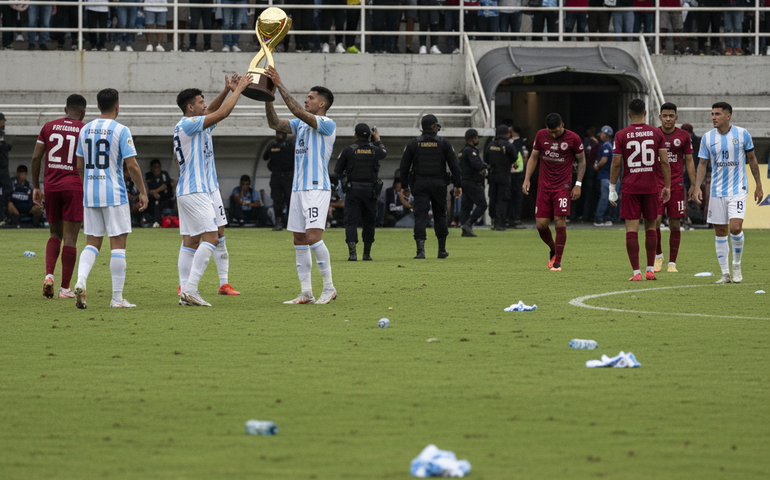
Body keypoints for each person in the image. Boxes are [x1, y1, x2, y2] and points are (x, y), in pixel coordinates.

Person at [174, 74, 252, 306]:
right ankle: (190, 289)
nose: (205, 105)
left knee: (191, 241)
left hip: (198, 189)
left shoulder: (196, 123)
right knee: (212, 238)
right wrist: (240, 90)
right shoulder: (189, 124)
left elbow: (213, 111)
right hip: (195, 190)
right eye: (201, 102)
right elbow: (222, 113)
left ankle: (186, 290)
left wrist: (227, 91)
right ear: (190, 107)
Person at [264, 65, 338, 304]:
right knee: (299, 239)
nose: (306, 100)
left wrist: (280, 85)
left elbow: (296, 110)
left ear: (322, 104)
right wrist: (268, 97)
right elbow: (275, 123)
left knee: (314, 237)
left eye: (310, 97)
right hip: (298, 189)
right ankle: (306, 292)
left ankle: (329, 288)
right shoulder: (301, 124)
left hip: (316, 188)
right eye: (306, 97)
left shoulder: (327, 123)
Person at [73, 88, 149, 309]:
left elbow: (79, 165)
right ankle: (117, 298)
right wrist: (142, 191)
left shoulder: (84, 130)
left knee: (92, 243)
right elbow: (132, 165)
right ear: (117, 106)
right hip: (114, 194)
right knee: (118, 245)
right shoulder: (121, 130)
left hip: (90, 194)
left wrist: (87, 185)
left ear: (97, 106)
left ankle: (81, 281)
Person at [691, 102, 764, 284]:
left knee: (735, 228)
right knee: (721, 231)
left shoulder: (742, 134)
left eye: (717, 114)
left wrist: (759, 185)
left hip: (738, 189)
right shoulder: (707, 138)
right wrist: (697, 187)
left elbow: (752, 159)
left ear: (728, 116)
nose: (713, 117)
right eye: (712, 114)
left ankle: (736, 265)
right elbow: (702, 164)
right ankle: (725, 274)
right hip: (717, 191)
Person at [30, 94, 87, 299]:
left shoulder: (48, 126)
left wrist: (36, 186)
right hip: (74, 187)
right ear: (83, 112)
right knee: (70, 238)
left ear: (65, 109)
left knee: (54, 234)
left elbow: (36, 157)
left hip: (51, 186)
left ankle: (49, 276)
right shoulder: (84, 129)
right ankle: (64, 288)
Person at [608, 98, 670, 281]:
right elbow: (664, 161)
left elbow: (616, 163)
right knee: (651, 227)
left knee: (631, 230)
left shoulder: (621, 134)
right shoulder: (657, 133)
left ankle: (636, 273)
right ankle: (650, 270)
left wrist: (612, 187)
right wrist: (667, 186)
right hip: (651, 186)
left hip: (630, 187)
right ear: (645, 113)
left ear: (629, 114)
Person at [523, 113, 585, 271]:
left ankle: (557, 262)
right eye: (551, 132)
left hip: (562, 187)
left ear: (562, 125)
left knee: (559, 221)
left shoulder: (573, 138)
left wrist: (578, 184)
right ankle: (553, 249)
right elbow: (534, 157)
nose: (553, 135)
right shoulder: (541, 135)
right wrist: (527, 178)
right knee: (541, 225)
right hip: (544, 187)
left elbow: (582, 160)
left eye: (556, 131)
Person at [399, 114, 462, 259]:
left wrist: (404, 185)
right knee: (440, 215)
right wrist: (458, 185)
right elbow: (455, 166)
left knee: (420, 216)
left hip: (420, 184)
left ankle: (420, 251)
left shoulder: (413, 143)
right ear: (433, 126)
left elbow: (404, 166)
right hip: (439, 184)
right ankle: (442, 249)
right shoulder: (444, 143)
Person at [334, 123, 386, 261]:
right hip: (371, 191)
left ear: (355, 135)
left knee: (351, 221)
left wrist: (345, 179)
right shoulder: (375, 150)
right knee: (369, 222)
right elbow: (384, 152)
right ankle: (366, 254)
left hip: (353, 190)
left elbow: (337, 170)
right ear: (369, 135)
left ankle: (352, 254)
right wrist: (377, 139)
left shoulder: (348, 150)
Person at [654, 103, 696, 273]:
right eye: (665, 116)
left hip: (676, 186)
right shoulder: (654, 134)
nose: (668, 119)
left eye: (671, 116)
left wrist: (693, 184)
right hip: (657, 185)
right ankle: (658, 256)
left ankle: (672, 262)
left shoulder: (684, 136)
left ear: (676, 117)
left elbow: (689, 161)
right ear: (660, 117)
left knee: (675, 224)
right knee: (655, 222)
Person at [486, 124, 518, 231]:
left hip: (492, 175)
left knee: (493, 198)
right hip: (504, 175)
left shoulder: (490, 145)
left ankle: (494, 220)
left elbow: (486, 159)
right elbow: (514, 158)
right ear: (507, 134)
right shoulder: (508, 146)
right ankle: (501, 222)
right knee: (503, 199)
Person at [458, 128, 487, 237]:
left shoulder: (462, 151)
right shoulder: (471, 151)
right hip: (472, 181)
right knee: (482, 205)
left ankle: (464, 229)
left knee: (466, 206)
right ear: (473, 139)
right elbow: (476, 165)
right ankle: (468, 224)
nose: (477, 139)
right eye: (476, 138)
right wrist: (485, 166)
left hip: (464, 181)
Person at [263, 130, 295, 230]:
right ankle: (278, 222)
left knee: (290, 199)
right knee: (277, 200)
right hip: (276, 176)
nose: (279, 135)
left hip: (288, 176)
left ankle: (291, 222)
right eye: (278, 133)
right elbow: (265, 157)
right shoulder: (272, 145)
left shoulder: (291, 145)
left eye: (281, 133)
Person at [593, 125, 614, 226]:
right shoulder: (609, 145)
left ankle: (599, 218)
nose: (600, 135)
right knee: (608, 197)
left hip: (605, 175)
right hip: (608, 175)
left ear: (606, 135)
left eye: (602, 133)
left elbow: (604, 160)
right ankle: (607, 218)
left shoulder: (606, 146)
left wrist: (597, 167)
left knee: (604, 197)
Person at [145, 158, 176, 227]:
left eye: (158, 167)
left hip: (165, 199)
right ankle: (155, 223)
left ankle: (167, 223)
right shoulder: (148, 175)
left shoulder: (164, 174)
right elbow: (149, 190)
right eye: (154, 167)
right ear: (151, 168)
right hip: (153, 200)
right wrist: (153, 193)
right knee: (155, 203)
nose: (156, 170)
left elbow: (166, 185)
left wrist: (155, 191)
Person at [507, 125, 528, 228]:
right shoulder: (521, 143)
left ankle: (513, 217)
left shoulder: (515, 143)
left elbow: (525, 157)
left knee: (513, 196)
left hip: (514, 172)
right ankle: (516, 218)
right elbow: (525, 156)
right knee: (517, 196)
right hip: (519, 172)